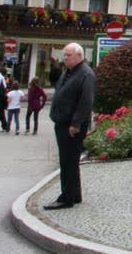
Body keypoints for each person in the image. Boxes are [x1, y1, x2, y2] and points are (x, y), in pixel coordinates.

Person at [45, 43, 96, 210]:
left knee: (68, 161)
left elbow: (85, 102)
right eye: (64, 55)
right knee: (69, 161)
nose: (65, 58)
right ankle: (74, 194)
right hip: (63, 122)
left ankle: (66, 197)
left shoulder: (85, 74)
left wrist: (75, 124)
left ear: (79, 56)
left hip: (71, 125)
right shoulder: (70, 71)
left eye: (68, 55)